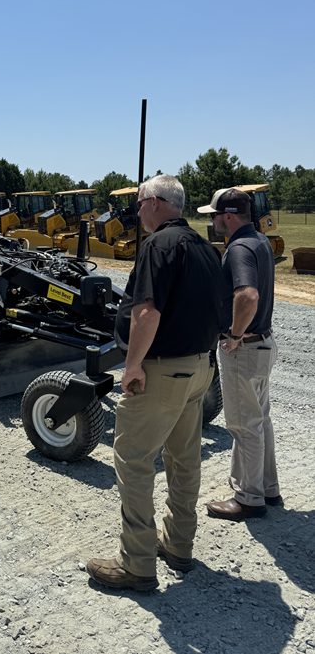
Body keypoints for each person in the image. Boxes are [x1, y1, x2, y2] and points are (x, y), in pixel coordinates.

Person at [86, 174, 226, 592]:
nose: (137, 212)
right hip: (199, 368)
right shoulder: (204, 248)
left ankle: (137, 564)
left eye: (139, 203)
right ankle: (178, 545)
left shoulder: (159, 246)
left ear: (155, 203)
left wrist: (132, 366)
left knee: (133, 459)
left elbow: (146, 312)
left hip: (163, 370)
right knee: (185, 460)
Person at [198, 188, 280, 521]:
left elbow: (247, 295)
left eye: (214, 215)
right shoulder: (259, 241)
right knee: (260, 419)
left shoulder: (238, 249)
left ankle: (248, 499)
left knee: (244, 425)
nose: (212, 221)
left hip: (244, 349)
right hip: (263, 344)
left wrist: (233, 334)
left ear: (228, 216)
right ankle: (267, 488)